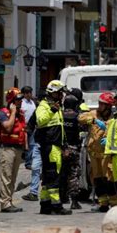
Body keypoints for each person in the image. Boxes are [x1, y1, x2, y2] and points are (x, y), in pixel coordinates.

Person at [35, 80, 72, 215]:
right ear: (54, 93)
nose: (62, 95)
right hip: (49, 146)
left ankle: (45, 205)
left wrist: (65, 146)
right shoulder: (44, 106)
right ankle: (56, 206)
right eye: (60, 93)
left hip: (56, 146)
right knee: (53, 176)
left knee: (48, 177)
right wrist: (51, 110)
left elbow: (60, 129)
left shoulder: (56, 107)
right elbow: (40, 121)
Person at [79, 92, 115, 212]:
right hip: (94, 154)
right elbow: (81, 118)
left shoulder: (114, 118)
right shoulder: (94, 114)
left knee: (109, 179)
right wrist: (94, 121)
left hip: (107, 154)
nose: (99, 105)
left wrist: (109, 139)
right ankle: (103, 203)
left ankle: (114, 204)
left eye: (102, 104)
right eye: (99, 103)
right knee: (97, 179)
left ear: (108, 106)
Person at [0, 88, 26, 213]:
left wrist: (26, 149)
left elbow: (23, 131)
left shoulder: (21, 114)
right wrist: (13, 112)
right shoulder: (3, 113)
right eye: (17, 100)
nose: (20, 102)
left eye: (21, 100)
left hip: (18, 149)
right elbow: (8, 128)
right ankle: (5, 203)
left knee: (13, 178)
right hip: (7, 149)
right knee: (7, 177)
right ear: (11, 101)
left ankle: (9, 201)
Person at [60, 94, 83, 210]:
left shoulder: (60, 116)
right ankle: (74, 201)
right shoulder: (77, 117)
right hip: (74, 149)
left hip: (61, 149)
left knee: (61, 173)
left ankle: (62, 197)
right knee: (73, 175)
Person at [21, 86, 37, 170]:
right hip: (24, 126)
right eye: (27, 93)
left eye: (30, 92)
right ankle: (26, 160)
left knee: (31, 145)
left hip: (32, 126)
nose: (29, 94)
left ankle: (28, 162)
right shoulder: (22, 102)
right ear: (24, 94)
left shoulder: (32, 102)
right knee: (25, 144)